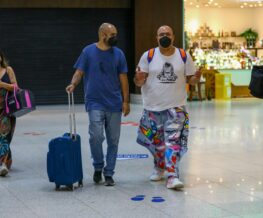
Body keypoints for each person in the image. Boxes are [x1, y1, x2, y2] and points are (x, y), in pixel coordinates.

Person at [134, 25, 200, 190]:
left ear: (173, 36)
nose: (165, 36)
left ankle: (172, 176)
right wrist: (138, 78)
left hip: (176, 108)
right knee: (157, 143)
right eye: (161, 34)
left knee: (173, 142)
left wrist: (196, 79)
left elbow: (191, 80)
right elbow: (139, 82)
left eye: (168, 34)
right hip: (152, 108)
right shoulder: (148, 56)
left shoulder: (183, 56)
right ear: (157, 37)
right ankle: (159, 167)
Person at [66, 23, 130, 186]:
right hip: (94, 101)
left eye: (116, 34)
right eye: (112, 34)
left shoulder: (119, 54)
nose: (115, 37)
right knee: (96, 136)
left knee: (113, 140)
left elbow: (123, 78)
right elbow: (79, 72)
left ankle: (109, 173)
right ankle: (98, 166)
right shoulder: (88, 51)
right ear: (103, 34)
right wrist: (73, 84)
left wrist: (126, 100)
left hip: (114, 102)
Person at [0, 50, 18, 177]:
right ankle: (8, 159)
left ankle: (3, 165)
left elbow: (15, 87)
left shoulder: (8, 70)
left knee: (4, 137)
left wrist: (2, 84)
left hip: (6, 109)